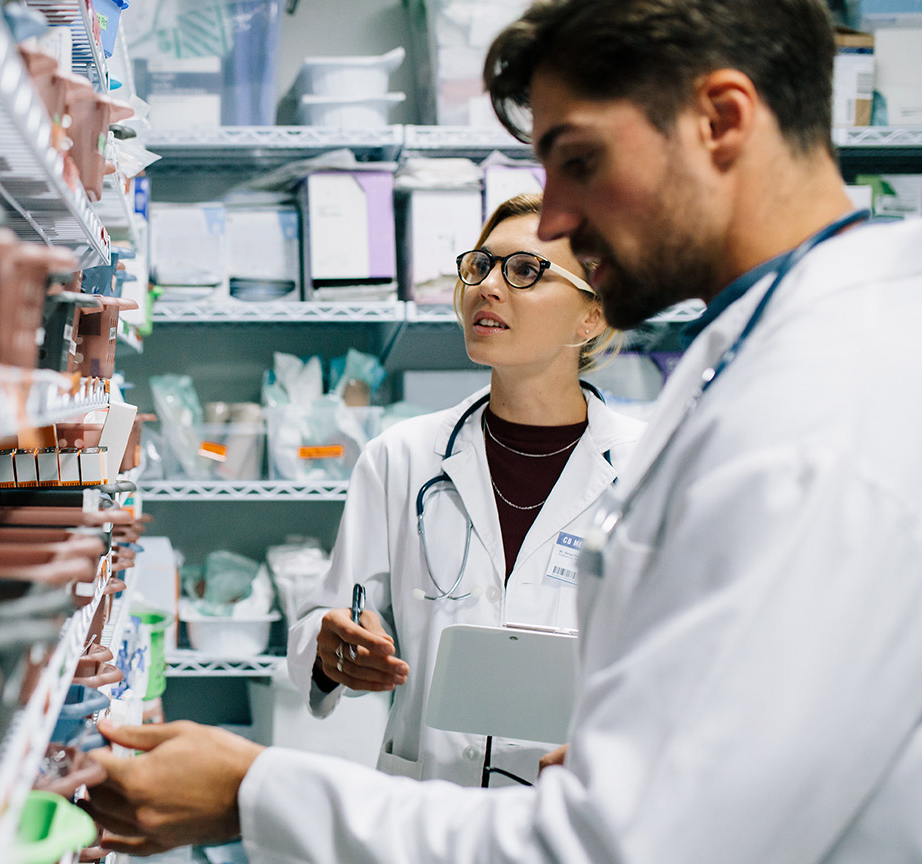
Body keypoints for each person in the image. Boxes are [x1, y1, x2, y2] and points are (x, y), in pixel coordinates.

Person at [82, 1, 922, 861]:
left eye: (579, 160)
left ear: (721, 120)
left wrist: (254, 790)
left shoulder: (823, 406)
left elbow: (624, 846)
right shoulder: (765, 354)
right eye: (484, 265)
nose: (555, 219)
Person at [288, 192, 642, 789]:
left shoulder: (646, 470)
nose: (488, 287)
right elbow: (321, 627)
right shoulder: (401, 459)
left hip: (572, 809)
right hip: (428, 805)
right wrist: (333, 651)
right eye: (480, 265)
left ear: (592, 317)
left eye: (525, 270)